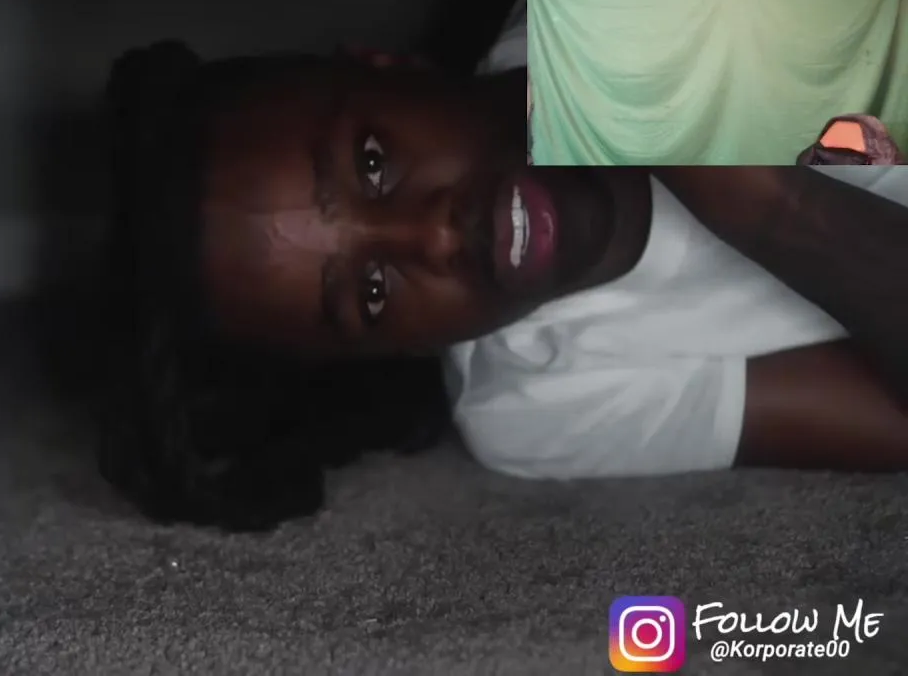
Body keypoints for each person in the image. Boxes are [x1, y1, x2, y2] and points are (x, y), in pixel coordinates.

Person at [98, 31, 908, 532]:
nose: (434, 236)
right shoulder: (525, 404)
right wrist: (772, 210)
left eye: (374, 163)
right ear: (396, 351)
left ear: (390, 66)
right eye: (372, 294)